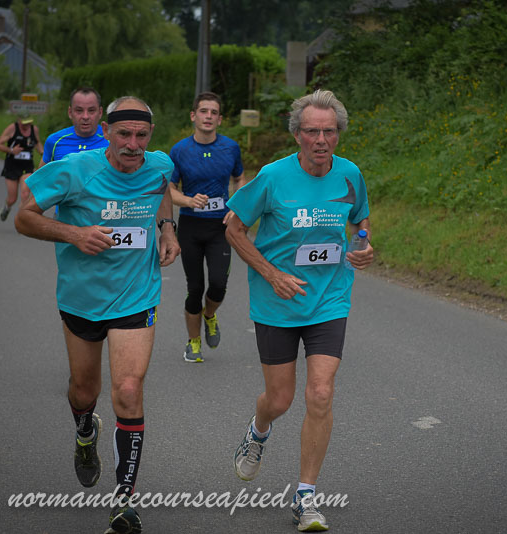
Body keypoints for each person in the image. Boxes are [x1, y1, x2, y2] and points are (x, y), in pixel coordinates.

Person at [15, 96, 180, 534]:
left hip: (136, 296)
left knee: (128, 388)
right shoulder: (73, 170)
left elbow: (162, 189)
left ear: (151, 135)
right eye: (123, 134)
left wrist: (167, 229)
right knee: (83, 390)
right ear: (106, 132)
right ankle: (85, 431)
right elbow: (24, 218)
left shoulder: (159, 164)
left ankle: (124, 501)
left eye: (141, 136)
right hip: (82, 299)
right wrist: (74, 233)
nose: (132, 145)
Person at [226, 89, 373, 532]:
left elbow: (360, 220)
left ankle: (305, 496)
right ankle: (258, 430)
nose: (321, 140)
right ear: (297, 135)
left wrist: (363, 246)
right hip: (277, 301)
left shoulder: (350, 174)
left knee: (321, 393)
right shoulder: (273, 177)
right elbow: (233, 229)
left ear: (338, 135)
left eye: (329, 132)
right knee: (280, 399)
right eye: (312, 131)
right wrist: (272, 275)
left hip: (329, 298)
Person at [168, 92, 244, 363]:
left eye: (213, 112)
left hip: (220, 227)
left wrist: (237, 206)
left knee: (219, 284)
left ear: (220, 119)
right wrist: (189, 200)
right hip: (190, 226)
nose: (208, 116)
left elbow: (239, 178)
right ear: (193, 116)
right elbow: (169, 189)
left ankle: (209, 315)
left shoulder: (230, 148)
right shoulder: (180, 150)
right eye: (203, 111)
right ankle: (193, 342)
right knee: (195, 287)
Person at [19, 87, 109, 207]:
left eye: (91, 111)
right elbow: (40, 183)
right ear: (70, 112)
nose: (85, 116)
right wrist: (26, 209)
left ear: (100, 112)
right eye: (79, 110)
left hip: (104, 214)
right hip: (65, 216)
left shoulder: (112, 140)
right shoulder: (55, 141)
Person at [0, 114, 44, 221]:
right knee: (12, 199)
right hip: (12, 166)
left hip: (27, 167)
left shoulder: (34, 129)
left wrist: (43, 153)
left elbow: (37, 143)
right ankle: (7, 207)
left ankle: (21, 220)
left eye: (29, 123)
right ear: (19, 120)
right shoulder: (12, 128)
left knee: (25, 194)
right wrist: (11, 151)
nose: (27, 125)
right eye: (24, 123)